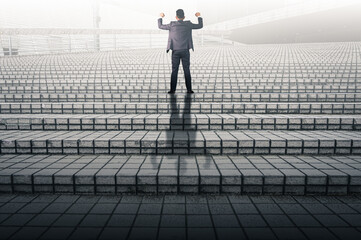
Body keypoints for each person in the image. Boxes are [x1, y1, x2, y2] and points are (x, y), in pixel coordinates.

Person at [158, 9, 203, 94]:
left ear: (176, 17)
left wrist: (161, 17)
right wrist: (198, 16)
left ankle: (172, 90)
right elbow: (200, 25)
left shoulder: (172, 25)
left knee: (174, 70)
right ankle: (189, 90)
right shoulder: (188, 24)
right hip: (185, 50)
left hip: (175, 51)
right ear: (184, 17)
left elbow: (160, 26)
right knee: (187, 70)